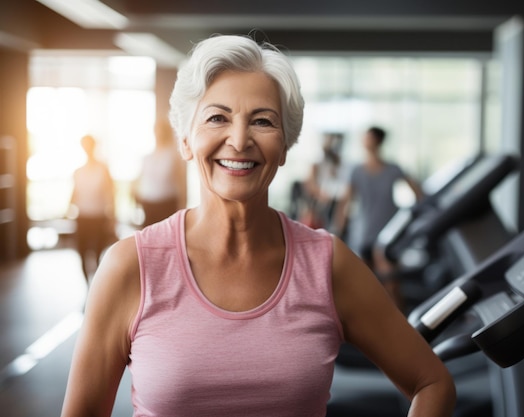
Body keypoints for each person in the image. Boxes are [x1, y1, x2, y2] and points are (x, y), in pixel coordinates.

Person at [61, 35, 455, 417]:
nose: (238, 140)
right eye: (217, 117)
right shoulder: (131, 266)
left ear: (284, 146)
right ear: (185, 140)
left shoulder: (327, 263)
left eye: (262, 122)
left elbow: (432, 383)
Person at [336, 126, 423, 307]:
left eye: (368, 138)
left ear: (377, 141)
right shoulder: (356, 170)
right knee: (364, 286)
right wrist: (339, 229)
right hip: (363, 233)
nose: (364, 141)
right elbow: (345, 201)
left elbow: (419, 194)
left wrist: (409, 219)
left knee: (391, 284)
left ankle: (401, 326)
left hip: (388, 234)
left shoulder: (392, 169)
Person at [68, 134, 116, 284]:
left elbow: (111, 194)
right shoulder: (78, 171)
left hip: (99, 216)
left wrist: (112, 216)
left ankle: (97, 287)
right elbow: (74, 193)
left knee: (96, 254)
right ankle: (88, 286)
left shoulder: (103, 169)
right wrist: (67, 210)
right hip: (82, 217)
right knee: (82, 253)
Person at [133, 118, 187, 228]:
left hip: (167, 205)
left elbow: (182, 183)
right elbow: (139, 180)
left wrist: (183, 208)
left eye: (161, 130)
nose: (159, 134)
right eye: (157, 130)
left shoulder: (173, 156)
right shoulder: (147, 158)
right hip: (148, 205)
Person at [300, 132, 348, 231]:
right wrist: (321, 194)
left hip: (334, 202)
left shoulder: (338, 162)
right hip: (319, 204)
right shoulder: (316, 161)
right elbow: (310, 184)